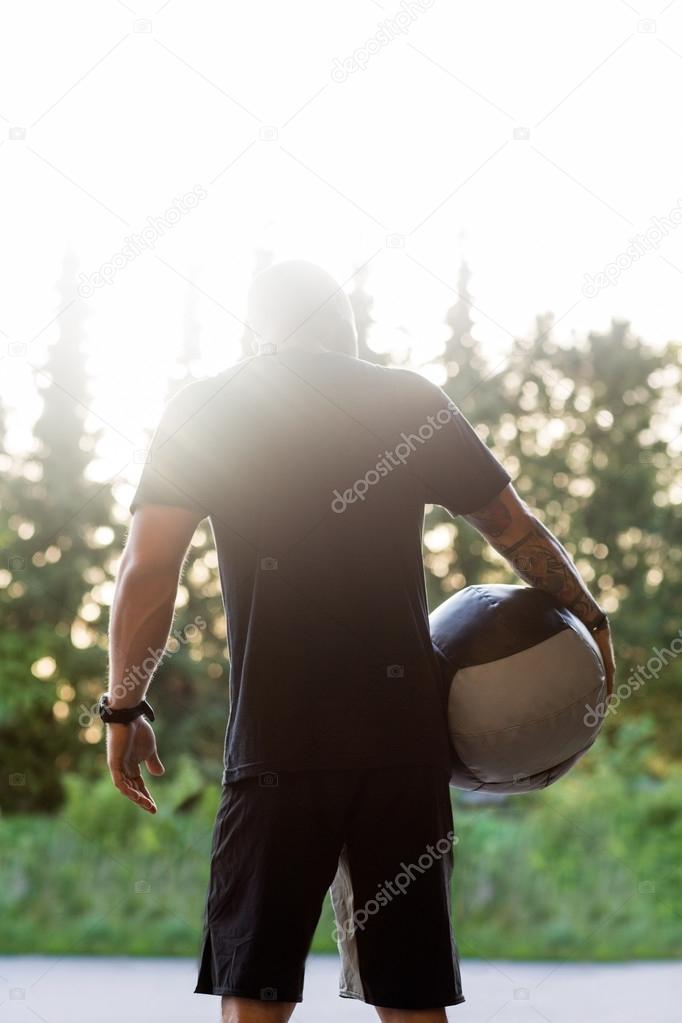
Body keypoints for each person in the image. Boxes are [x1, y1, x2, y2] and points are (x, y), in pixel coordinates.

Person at [102, 260, 616, 1023]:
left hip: (276, 745)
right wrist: (593, 624)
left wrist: (124, 707)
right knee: (411, 996)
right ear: (347, 329)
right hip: (400, 745)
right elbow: (518, 531)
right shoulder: (406, 399)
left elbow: (148, 571)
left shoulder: (208, 407)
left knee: (255, 992)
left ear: (256, 331)